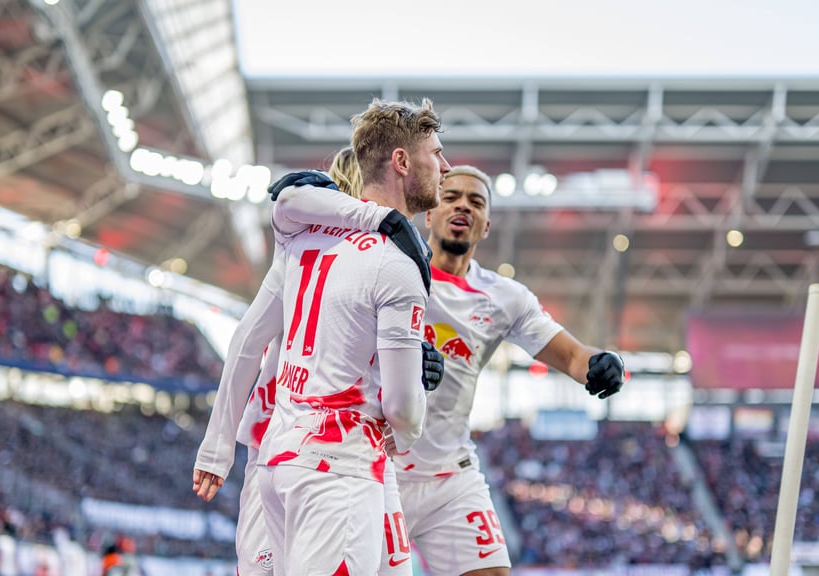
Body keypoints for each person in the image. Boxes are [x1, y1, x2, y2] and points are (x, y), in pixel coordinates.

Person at [267, 164, 626, 575]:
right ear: (431, 212)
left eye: (476, 202)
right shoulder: (388, 267)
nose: (463, 207)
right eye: (452, 196)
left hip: (451, 477)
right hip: (379, 470)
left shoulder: (504, 297)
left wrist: (602, 363)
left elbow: (572, 355)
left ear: (486, 225)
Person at [194, 107, 449, 575]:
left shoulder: (301, 240)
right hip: (333, 463)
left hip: (290, 453)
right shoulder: (385, 260)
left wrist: (414, 361)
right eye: (437, 155)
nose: (445, 167)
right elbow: (400, 407)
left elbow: (250, 339)